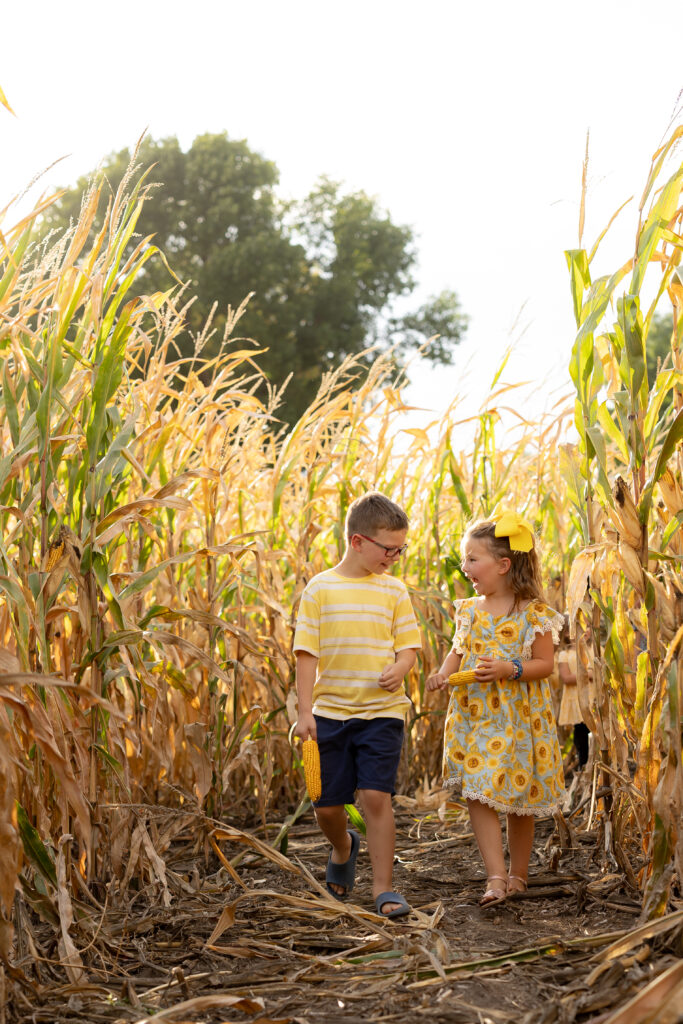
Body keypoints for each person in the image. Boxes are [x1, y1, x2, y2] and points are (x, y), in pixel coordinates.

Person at [293, 492, 421, 919]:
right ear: (357, 542)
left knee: (375, 796)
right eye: (389, 549)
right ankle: (344, 845)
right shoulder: (321, 589)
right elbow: (306, 653)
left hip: (381, 712)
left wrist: (401, 668)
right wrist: (305, 711)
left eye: (401, 549)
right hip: (331, 712)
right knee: (326, 804)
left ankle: (383, 890)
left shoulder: (394, 591)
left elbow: (408, 647)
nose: (395, 556)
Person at [427, 513, 565, 906]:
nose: (464, 567)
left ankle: (519, 874)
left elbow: (545, 664)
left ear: (503, 565)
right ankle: (496, 876)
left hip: (520, 718)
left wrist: (509, 668)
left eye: (472, 559)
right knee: (479, 792)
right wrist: (442, 675)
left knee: (518, 798)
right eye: (464, 559)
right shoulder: (468, 610)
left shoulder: (534, 613)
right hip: (476, 717)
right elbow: (458, 652)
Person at [557, 618, 591, 769]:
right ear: (566, 634)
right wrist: (587, 675)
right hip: (576, 700)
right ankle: (583, 766)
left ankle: (598, 765)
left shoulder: (595, 650)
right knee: (581, 733)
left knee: (596, 733)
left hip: (593, 698)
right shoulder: (564, 655)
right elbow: (566, 678)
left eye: (585, 628)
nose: (581, 633)